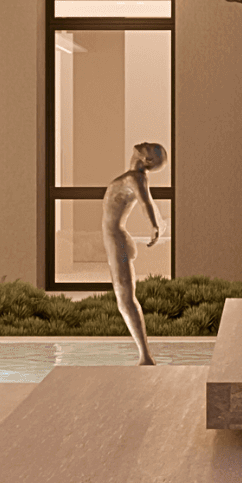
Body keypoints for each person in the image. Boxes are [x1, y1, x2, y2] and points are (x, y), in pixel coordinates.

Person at [102, 140, 167, 365]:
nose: (144, 143)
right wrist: (159, 223)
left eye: (149, 147)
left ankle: (145, 356)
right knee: (124, 299)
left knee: (125, 299)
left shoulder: (135, 178)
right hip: (115, 239)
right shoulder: (134, 177)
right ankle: (144, 355)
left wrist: (155, 225)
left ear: (146, 160)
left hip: (116, 241)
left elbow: (145, 203)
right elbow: (149, 203)